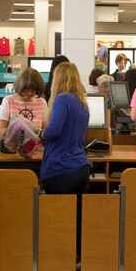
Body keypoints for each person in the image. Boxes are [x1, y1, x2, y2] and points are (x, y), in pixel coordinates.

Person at [41, 62, 90, 195]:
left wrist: (41, 133)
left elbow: (54, 131)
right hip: (81, 166)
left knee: (57, 213)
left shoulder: (62, 99)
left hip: (61, 168)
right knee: (75, 213)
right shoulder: (82, 102)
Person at [0, 67, 48, 136]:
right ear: (20, 86)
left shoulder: (42, 103)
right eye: (26, 90)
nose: (29, 93)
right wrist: (15, 131)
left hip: (36, 146)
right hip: (12, 145)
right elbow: (0, 131)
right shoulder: (8, 101)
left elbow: (45, 129)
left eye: (33, 90)